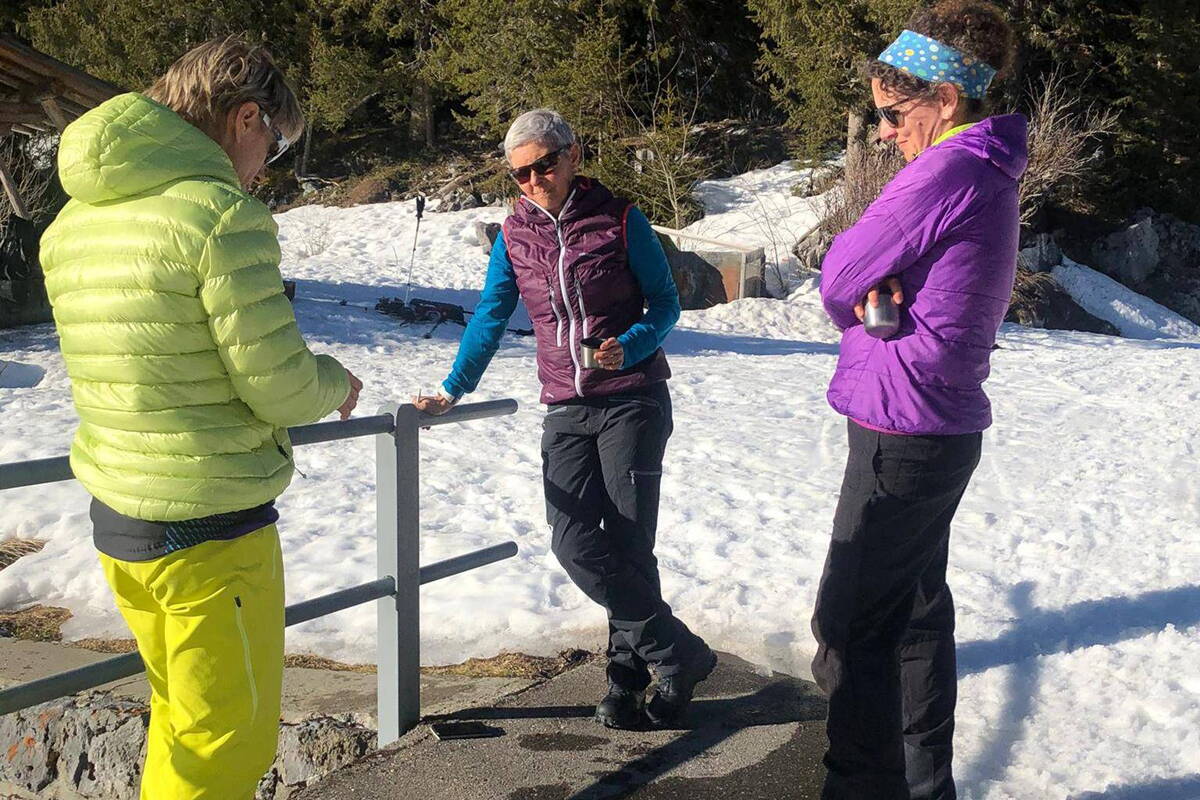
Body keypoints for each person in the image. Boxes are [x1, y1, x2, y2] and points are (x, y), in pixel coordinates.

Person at [39, 37, 360, 799]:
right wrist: (333, 383)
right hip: (211, 527)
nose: (264, 170)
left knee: (182, 725)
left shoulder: (74, 223)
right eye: (272, 147)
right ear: (246, 118)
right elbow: (277, 384)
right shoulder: (219, 217)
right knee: (226, 743)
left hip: (123, 521)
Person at [414, 108, 714, 729]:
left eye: (542, 166)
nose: (532, 181)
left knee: (630, 546)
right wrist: (453, 388)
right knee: (575, 541)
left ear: (572, 156)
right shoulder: (513, 234)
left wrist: (628, 345)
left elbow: (666, 303)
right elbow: (490, 316)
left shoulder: (621, 219)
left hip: (632, 397)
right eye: (519, 174)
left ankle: (626, 680)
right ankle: (677, 653)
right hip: (566, 407)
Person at [810, 2, 1026, 798]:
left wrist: (859, 292)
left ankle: (862, 788)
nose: (885, 133)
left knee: (852, 626)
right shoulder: (987, 166)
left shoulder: (947, 168)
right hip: (935, 420)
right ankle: (925, 786)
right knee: (917, 613)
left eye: (894, 114)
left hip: (900, 422)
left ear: (946, 99)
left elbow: (837, 275)